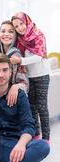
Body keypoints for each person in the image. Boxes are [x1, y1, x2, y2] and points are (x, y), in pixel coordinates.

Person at [11, 12, 51, 141]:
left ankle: (46, 138)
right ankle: (36, 135)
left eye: (21, 24)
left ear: (27, 21)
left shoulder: (38, 34)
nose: (20, 28)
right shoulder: (20, 40)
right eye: (16, 27)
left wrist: (20, 61)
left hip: (42, 75)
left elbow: (39, 56)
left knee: (42, 107)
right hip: (29, 77)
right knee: (31, 107)